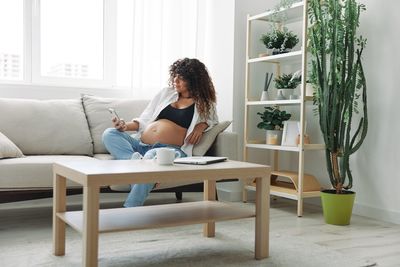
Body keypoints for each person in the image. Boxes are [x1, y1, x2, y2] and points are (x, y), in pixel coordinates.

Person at [102, 58, 218, 207]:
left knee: (150, 159)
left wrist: (201, 126)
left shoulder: (204, 103)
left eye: (181, 77)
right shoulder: (166, 93)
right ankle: (135, 161)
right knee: (110, 134)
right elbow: (145, 118)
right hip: (141, 144)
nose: (175, 80)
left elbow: (213, 120)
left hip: (169, 150)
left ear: (193, 80)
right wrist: (125, 127)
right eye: (175, 75)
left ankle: (130, 207)